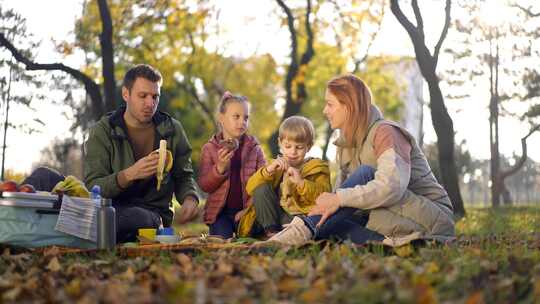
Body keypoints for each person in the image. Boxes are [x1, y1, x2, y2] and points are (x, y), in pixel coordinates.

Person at [268, 75, 455, 246]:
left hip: (431, 218)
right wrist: (326, 204)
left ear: (348, 105)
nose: (325, 110)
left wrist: (338, 198)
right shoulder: (345, 146)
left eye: (330, 104)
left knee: (365, 174)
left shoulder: (386, 133)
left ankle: (298, 232)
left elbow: (391, 187)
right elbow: (337, 204)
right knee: (330, 223)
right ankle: (388, 243)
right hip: (388, 214)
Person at [84, 64, 200, 243]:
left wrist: (190, 198)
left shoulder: (172, 129)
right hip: (112, 208)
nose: (150, 103)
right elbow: (93, 186)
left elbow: (184, 176)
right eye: (142, 96)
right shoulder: (103, 130)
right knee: (45, 177)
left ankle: (90, 229)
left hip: (153, 215)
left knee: (136, 218)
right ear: (126, 94)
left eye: (155, 97)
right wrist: (130, 174)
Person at [238, 115, 331, 239]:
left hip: (299, 218)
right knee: (261, 188)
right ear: (280, 144)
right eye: (288, 146)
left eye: (299, 147)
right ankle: (272, 233)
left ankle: (283, 234)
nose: (293, 152)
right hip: (274, 217)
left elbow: (324, 194)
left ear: (308, 146)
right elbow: (250, 188)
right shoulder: (273, 166)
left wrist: (301, 182)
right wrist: (267, 171)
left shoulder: (317, 168)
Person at [197, 91, 266, 239]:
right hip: (220, 214)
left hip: (247, 210)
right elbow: (204, 185)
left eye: (246, 118)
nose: (242, 122)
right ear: (221, 118)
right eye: (236, 117)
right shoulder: (209, 148)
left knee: (250, 239)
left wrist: (248, 210)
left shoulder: (255, 149)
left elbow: (263, 183)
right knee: (221, 241)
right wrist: (219, 169)